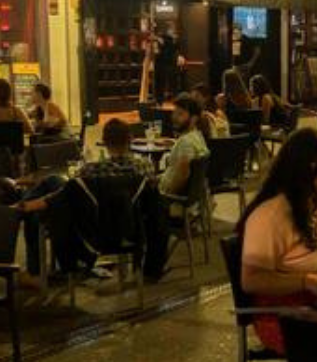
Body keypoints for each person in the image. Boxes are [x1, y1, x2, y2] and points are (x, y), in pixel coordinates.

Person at [17, 119, 167, 282]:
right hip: (130, 230)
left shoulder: (91, 170)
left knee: (55, 190)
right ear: (130, 139)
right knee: (54, 182)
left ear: (103, 142)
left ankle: (19, 208)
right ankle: (24, 205)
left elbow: (69, 195)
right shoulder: (145, 168)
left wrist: (38, 203)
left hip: (92, 233)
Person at [238, 129, 317, 353]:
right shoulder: (269, 216)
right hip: (286, 315)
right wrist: (308, 281)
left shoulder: (315, 204)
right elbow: (252, 280)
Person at [158, 94, 210, 196]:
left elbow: (182, 175)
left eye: (180, 114)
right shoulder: (198, 135)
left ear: (194, 119)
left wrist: (166, 193)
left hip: (168, 200)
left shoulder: (185, 142)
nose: (174, 117)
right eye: (174, 113)